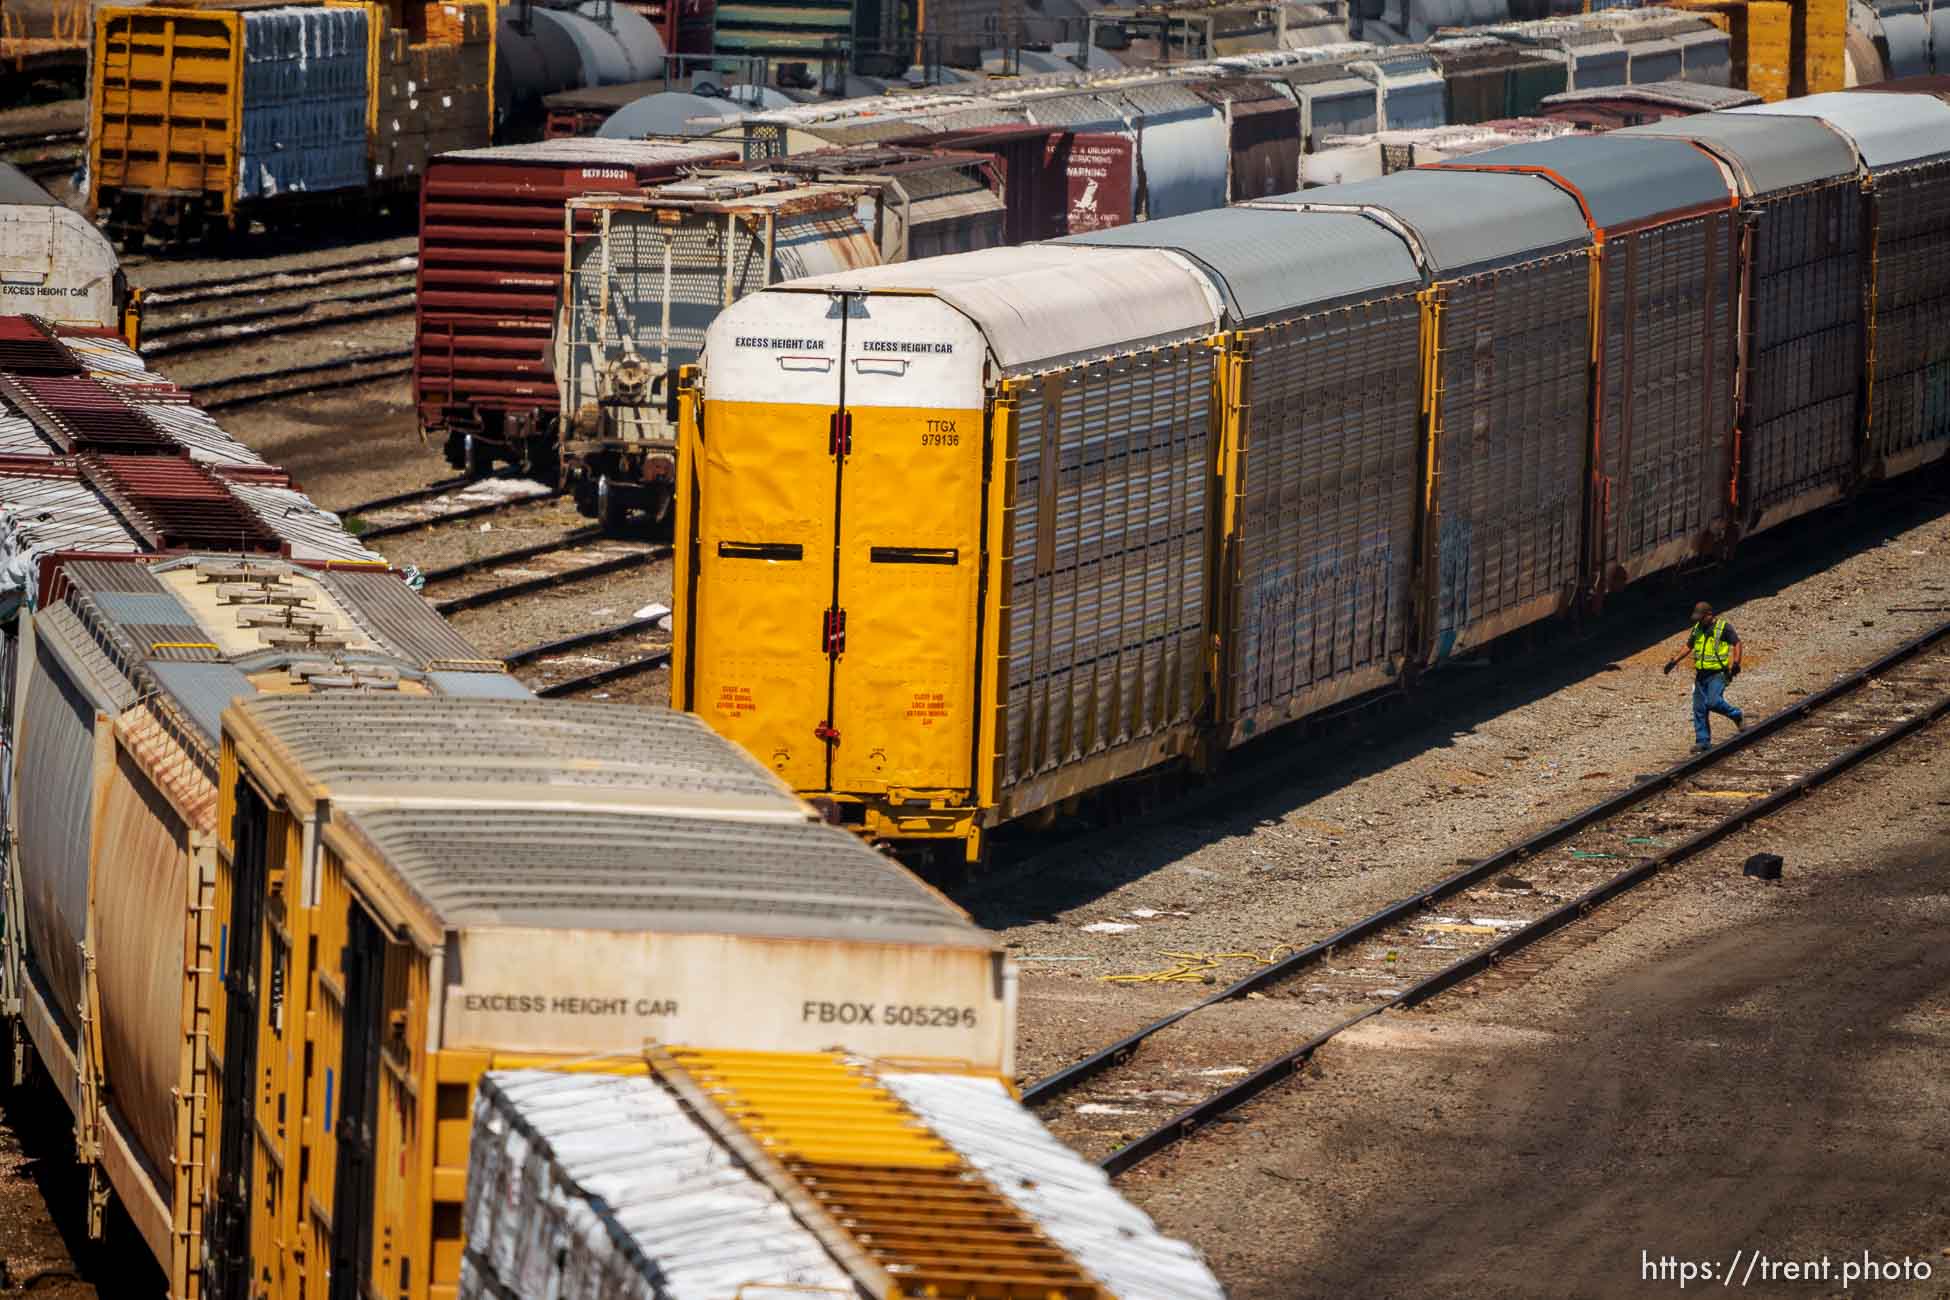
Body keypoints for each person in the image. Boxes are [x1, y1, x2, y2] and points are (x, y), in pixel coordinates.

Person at [1664, 601, 1744, 752]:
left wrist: (1736, 663)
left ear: (1709, 615)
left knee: (1713, 702)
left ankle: (1736, 715)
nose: (1698, 621)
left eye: (1701, 618)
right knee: (1699, 707)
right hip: (1701, 675)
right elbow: (1689, 646)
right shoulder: (1698, 628)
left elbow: (1737, 643)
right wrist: (1674, 661)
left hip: (1718, 673)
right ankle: (1703, 741)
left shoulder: (1723, 628)